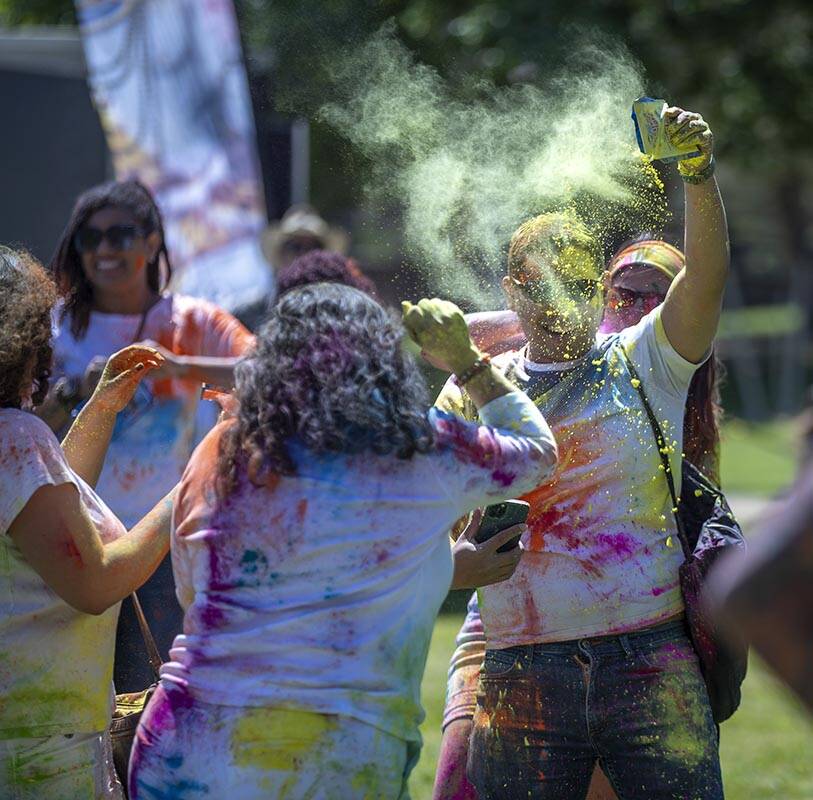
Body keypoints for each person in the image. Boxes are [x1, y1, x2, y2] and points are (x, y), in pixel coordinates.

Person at [128, 284, 558, 799]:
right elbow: (535, 452)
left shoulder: (221, 449)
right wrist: (466, 362)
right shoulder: (419, 449)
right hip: (335, 760)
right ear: (383, 366)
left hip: (182, 751)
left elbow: (193, 597)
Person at [435, 105, 729, 799]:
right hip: (518, 671)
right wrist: (456, 565)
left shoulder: (643, 359)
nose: (556, 303)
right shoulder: (472, 389)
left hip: (649, 660)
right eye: (537, 286)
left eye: (573, 284)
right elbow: (420, 526)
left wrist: (698, 174)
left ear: (597, 286)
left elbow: (706, 279)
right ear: (511, 291)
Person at [40, 180, 255, 693]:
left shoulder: (190, 321)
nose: (105, 250)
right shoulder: (55, 330)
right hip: (71, 543)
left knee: (160, 706)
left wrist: (181, 366)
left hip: (164, 546)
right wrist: (78, 393)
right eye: (90, 239)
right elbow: (18, 422)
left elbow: (269, 369)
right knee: (80, 707)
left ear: (153, 240)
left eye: (121, 234)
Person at [0, 247, 174, 799]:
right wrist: (200, 480)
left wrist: (99, 411)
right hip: (44, 750)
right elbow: (93, 581)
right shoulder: (15, 439)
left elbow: (45, 527)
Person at [233, 205, 350, 331]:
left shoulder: (342, 314)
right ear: (280, 254)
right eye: (295, 247)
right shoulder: (248, 315)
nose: (304, 254)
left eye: (314, 247)